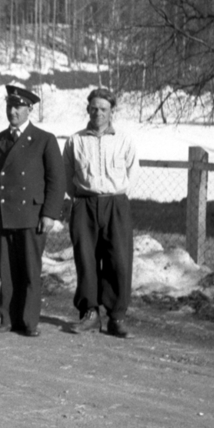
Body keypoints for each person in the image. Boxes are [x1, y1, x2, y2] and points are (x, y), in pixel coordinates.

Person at [0, 85, 66, 337]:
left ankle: (28, 322)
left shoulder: (44, 139)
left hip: (31, 216)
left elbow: (56, 181)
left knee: (29, 270)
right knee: (6, 270)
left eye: (18, 107)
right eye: (9, 106)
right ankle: (6, 319)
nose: (13, 111)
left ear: (30, 109)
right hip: (4, 215)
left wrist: (49, 213)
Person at [63, 87, 138, 338]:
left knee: (119, 261)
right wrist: (77, 199)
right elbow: (66, 174)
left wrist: (118, 196)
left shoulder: (124, 139)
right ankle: (90, 314)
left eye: (103, 109)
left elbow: (132, 171)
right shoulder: (76, 140)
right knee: (86, 259)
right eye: (94, 108)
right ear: (88, 110)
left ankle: (116, 317)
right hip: (84, 203)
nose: (98, 113)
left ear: (111, 111)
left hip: (116, 204)